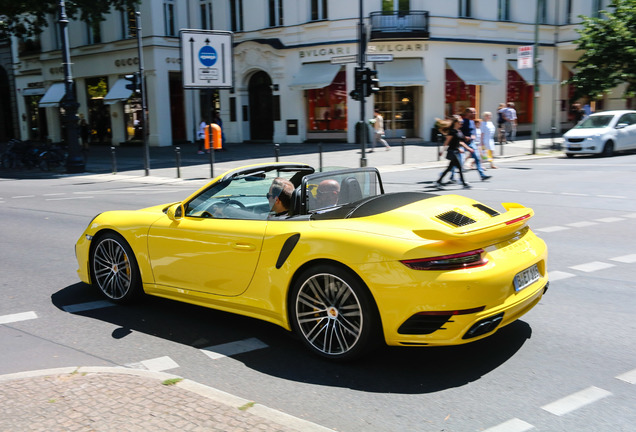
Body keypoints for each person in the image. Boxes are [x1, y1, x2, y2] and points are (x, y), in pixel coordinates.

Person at [435, 115, 474, 189]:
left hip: (456, 151)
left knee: (449, 168)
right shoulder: (452, 132)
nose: (461, 124)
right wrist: (442, 151)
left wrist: (467, 148)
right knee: (459, 167)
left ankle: (438, 182)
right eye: (460, 122)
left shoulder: (458, 131)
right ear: (456, 123)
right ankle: (464, 184)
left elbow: (460, 142)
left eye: (462, 122)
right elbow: (447, 142)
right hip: (452, 151)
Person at [460, 107, 491, 181]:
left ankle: (482, 175)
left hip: (471, 143)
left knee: (477, 158)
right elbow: (458, 131)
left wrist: (473, 136)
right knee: (459, 160)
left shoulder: (472, 122)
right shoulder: (462, 121)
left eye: (475, 112)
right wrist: (464, 137)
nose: (474, 113)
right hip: (462, 143)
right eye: (472, 112)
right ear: (467, 113)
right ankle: (452, 176)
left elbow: (473, 132)